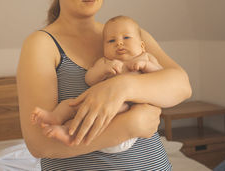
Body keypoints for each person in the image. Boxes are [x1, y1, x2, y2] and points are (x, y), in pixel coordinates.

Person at [17, 0, 192, 170]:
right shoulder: (42, 44)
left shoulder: (125, 34)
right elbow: (39, 144)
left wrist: (121, 87)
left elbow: (181, 85)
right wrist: (130, 125)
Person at [30, 15, 164, 154]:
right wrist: (103, 71)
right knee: (72, 105)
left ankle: (71, 133)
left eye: (126, 38)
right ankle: (57, 119)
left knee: (120, 107)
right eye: (111, 41)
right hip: (100, 121)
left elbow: (161, 77)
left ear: (142, 45)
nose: (119, 43)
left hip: (125, 116)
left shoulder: (146, 57)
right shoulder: (105, 62)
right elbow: (90, 79)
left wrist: (146, 66)